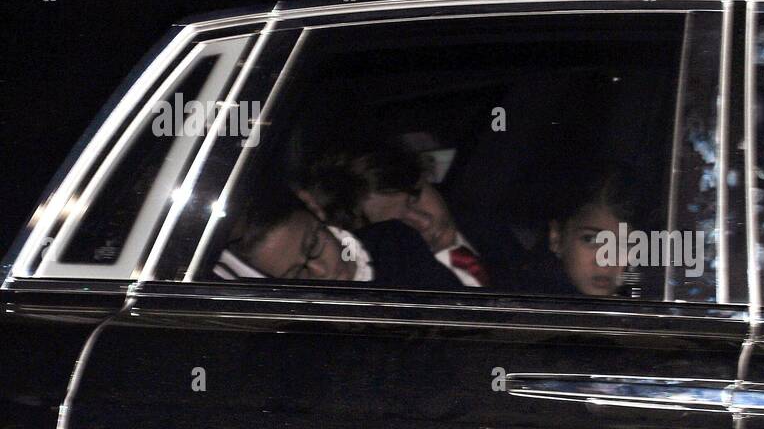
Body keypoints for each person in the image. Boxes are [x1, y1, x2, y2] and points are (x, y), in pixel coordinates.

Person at [297, 136, 524, 292]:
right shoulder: (400, 286)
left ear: (426, 177)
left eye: (414, 198)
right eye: (399, 224)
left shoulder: (494, 225)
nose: (423, 221)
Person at [212, 184, 448, 288]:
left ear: (314, 208)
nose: (321, 272)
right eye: (296, 273)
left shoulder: (395, 242)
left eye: (313, 246)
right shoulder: (299, 337)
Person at [521, 161, 637, 297]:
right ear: (556, 237)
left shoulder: (644, 306)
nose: (606, 260)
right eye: (591, 239)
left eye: (624, 245)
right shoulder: (526, 304)